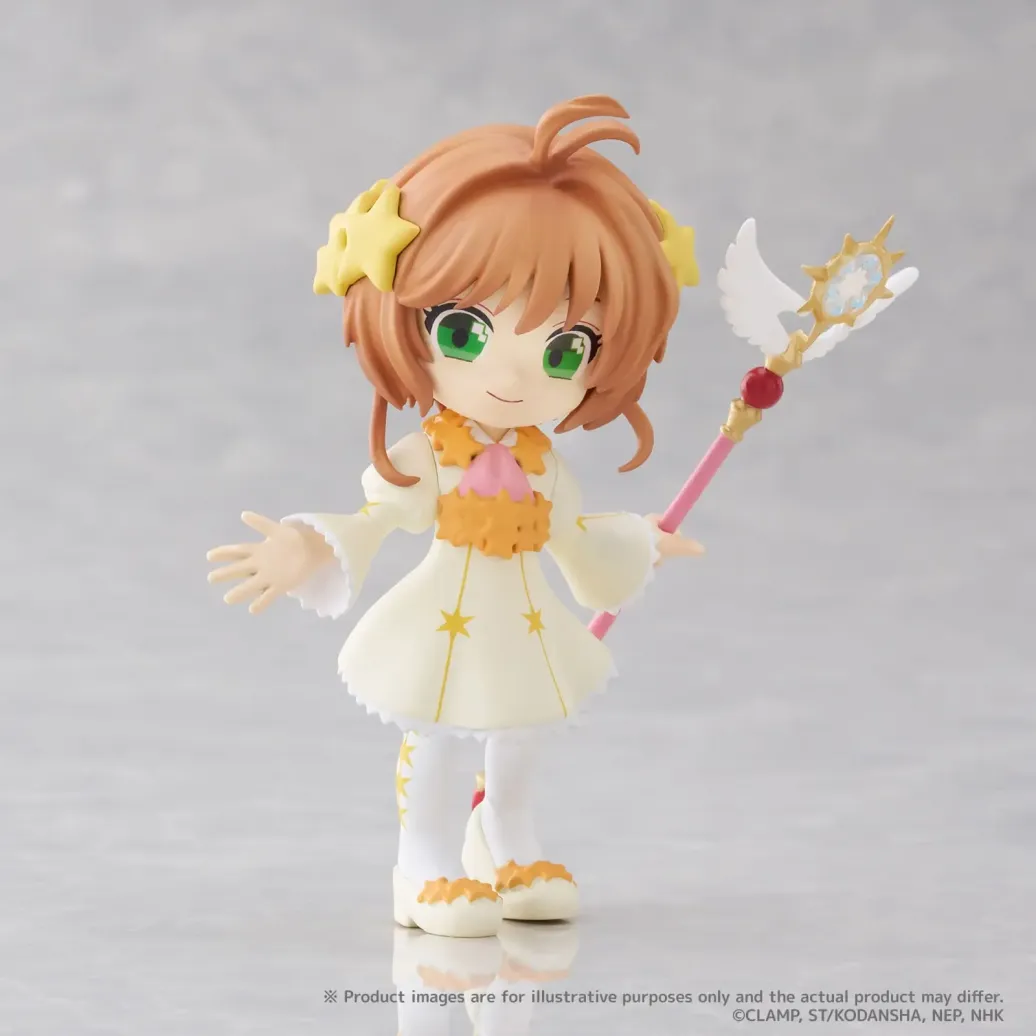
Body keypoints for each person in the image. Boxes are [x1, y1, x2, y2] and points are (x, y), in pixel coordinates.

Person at [206, 94, 703, 938]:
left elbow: (576, 542)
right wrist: (307, 547)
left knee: (523, 733)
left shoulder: (545, 469)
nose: (513, 376)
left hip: (524, 620)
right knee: (436, 732)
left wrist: (640, 543)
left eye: (565, 350)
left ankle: (507, 840)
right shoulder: (432, 455)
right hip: (442, 620)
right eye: (467, 332)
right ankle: (425, 860)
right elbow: (373, 518)